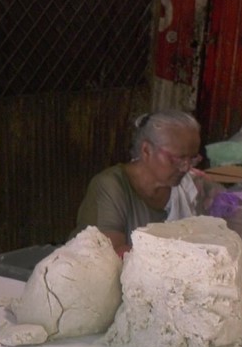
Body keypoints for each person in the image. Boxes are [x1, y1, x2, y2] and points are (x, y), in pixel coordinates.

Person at [73, 109, 222, 256]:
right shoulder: (110, 187)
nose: (186, 167)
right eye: (178, 159)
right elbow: (111, 255)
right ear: (146, 150)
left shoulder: (191, 185)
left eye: (193, 158)